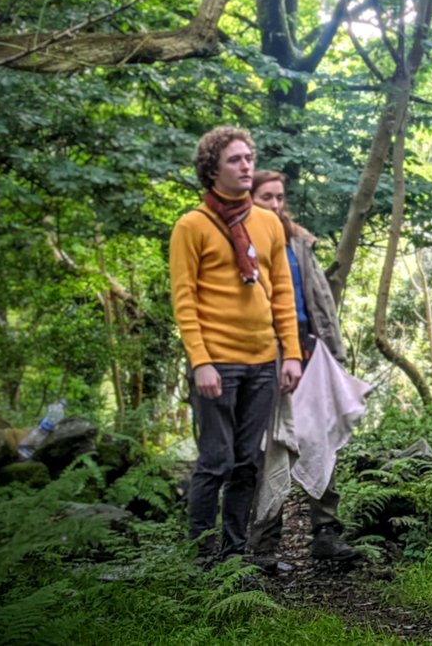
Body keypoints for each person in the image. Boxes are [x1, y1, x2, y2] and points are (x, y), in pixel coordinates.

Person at [169, 127, 304, 564]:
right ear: (212, 169)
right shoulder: (191, 226)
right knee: (215, 460)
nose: (246, 166)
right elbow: (184, 300)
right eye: (235, 159)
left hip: (263, 360)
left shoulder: (268, 223)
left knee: (248, 461)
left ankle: (233, 557)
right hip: (217, 362)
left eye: (249, 158)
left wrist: (291, 354)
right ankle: (201, 557)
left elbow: (282, 293)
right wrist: (201, 361)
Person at [246, 170, 361, 566]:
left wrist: (334, 350)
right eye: (266, 197)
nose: (275, 204)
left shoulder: (298, 241)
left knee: (321, 436)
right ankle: (264, 541)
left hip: (310, 351)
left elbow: (320, 299)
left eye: (279, 197)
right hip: (264, 355)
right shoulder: (240, 242)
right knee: (270, 444)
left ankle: (326, 532)